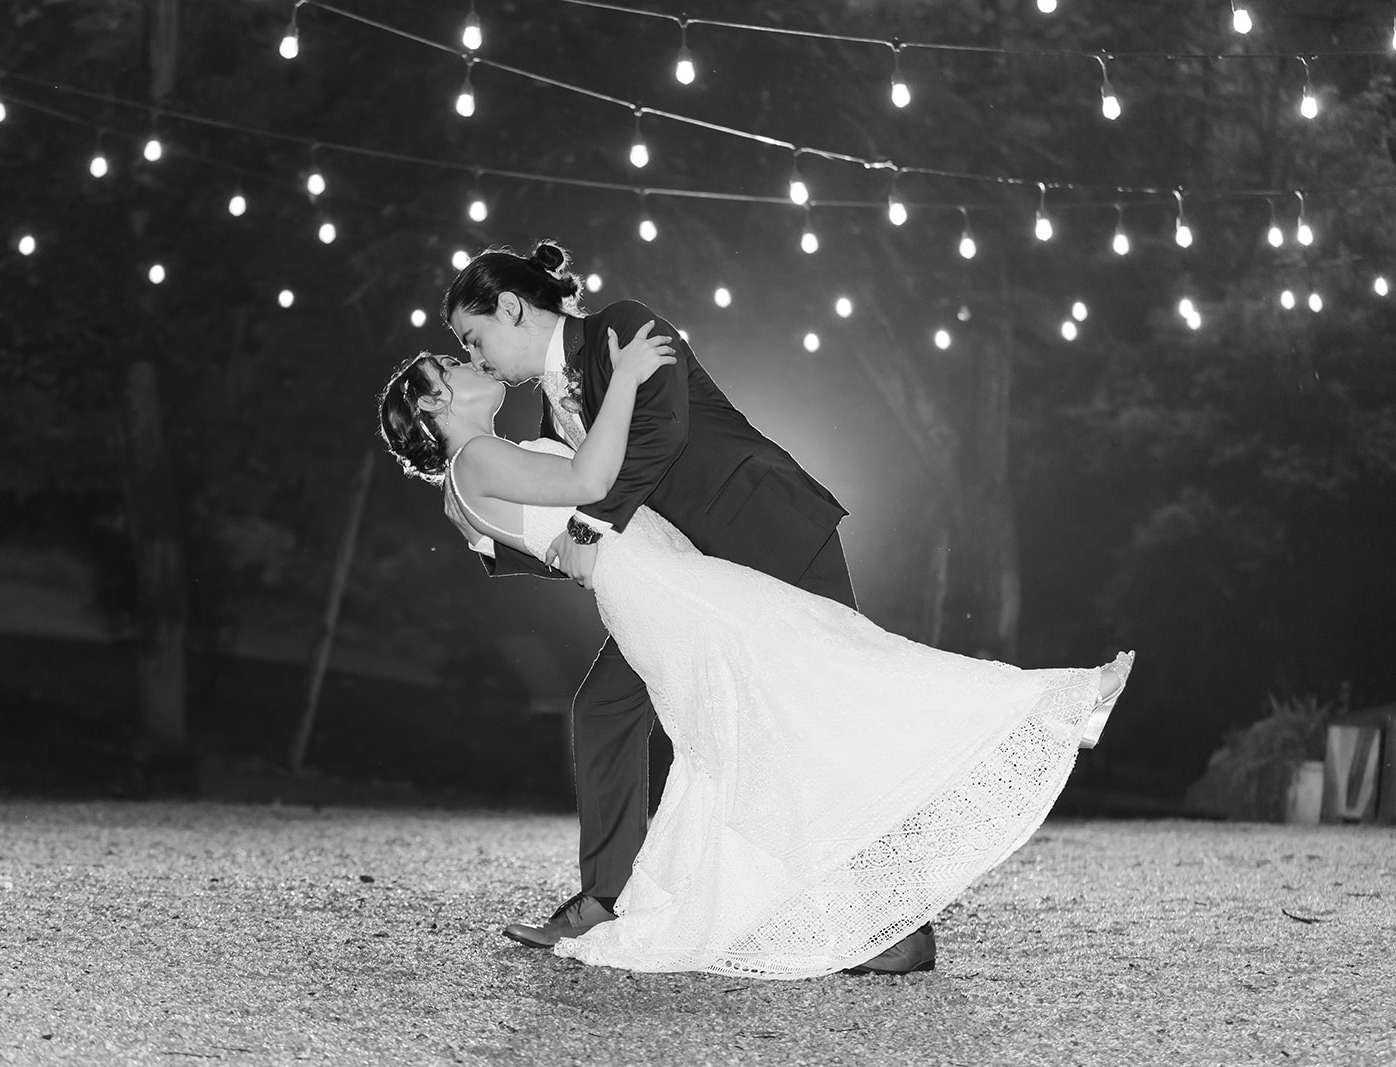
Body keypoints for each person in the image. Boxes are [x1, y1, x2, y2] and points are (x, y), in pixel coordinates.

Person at [377, 320, 1133, 980]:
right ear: (435, 404)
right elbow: (591, 477)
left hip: (664, 579)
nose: (469, 361)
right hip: (662, 587)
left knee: (771, 709)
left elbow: (558, 510)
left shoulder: (478, 467)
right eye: (453, 364)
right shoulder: (475, 461)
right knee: (820, 661)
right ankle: (1043, 705)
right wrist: (628, 377)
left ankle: (872, 911)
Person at [438, 242, 946, 971]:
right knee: (605, 707)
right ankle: (607, 901)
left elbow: (661, 435)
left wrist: (588, 525)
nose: (475, 357)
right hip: (690, 582)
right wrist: (487, 536)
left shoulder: (622, 326)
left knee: (825, 707)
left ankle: (900, 926)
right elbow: (571, 522)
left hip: (768, 528)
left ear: (511, 307)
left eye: (472, 336)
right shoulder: (550, 410)